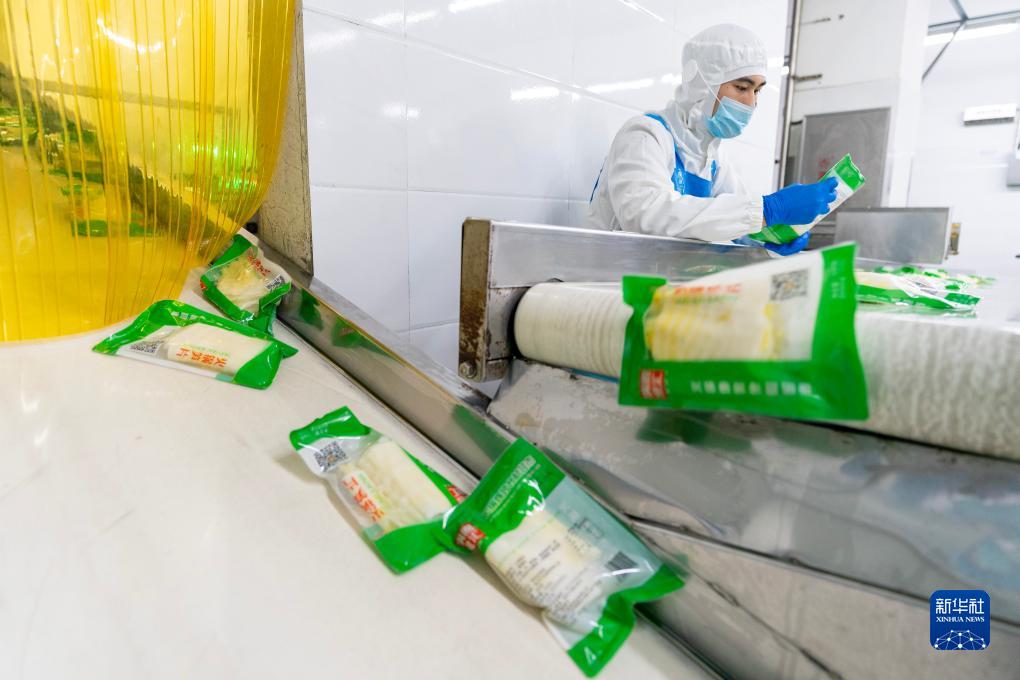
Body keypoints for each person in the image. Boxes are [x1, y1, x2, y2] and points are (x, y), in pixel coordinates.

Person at [585, 23, 837, 256]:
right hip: (605, 281)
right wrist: (770, 209)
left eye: (757, 90)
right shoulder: (645, 135)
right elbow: (645, 214)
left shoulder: (712, 157)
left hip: (657, 279)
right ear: (703, 84)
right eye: (742, 88)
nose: (751, 103)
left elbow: (733, 219)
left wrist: (769, 236)